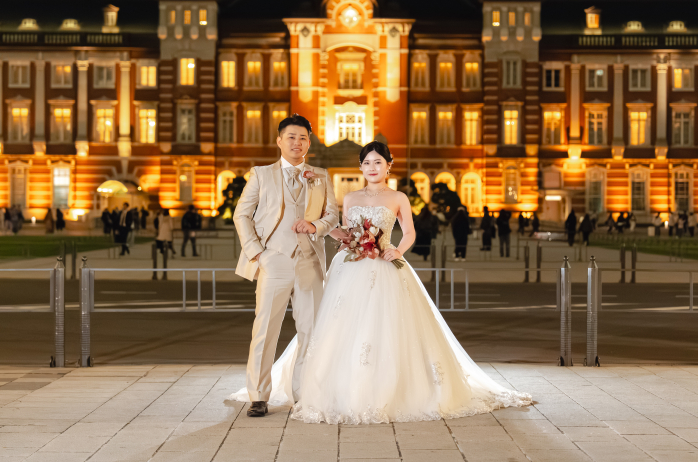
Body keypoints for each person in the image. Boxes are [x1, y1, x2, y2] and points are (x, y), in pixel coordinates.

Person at [228, 139, 532, 422]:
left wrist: (395, 250)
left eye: (378, 162)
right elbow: (345, 229)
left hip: (384, 264)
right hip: (351, 266)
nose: (372, 168)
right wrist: (333, 233)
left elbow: (409, 232)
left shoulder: (398, 197)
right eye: (367, 163)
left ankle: (387, 390)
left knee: (387, 327)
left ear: (389, 165)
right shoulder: (350, 197)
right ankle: (325, 388)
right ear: (361, 167)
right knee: (337, 326)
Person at [228, 114, 340, 418]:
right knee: (265, 330)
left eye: (303, 137)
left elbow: (332, 216)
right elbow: (241, 215)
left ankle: (303, 393)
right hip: (273, 261)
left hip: (309, 263)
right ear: (279, 140)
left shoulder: (320, 175)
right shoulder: (260, 175)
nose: (297, 142)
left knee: (311, 331)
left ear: (309, 142)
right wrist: (257, 253)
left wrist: (315, 225)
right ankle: (259, 395)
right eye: (291, 137)